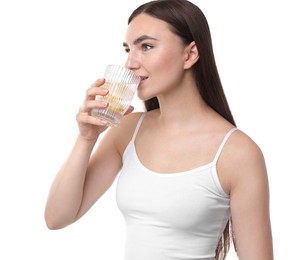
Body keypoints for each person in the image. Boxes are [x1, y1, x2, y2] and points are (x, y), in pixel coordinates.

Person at [44, 0, 274, 259]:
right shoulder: (129, 129)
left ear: (190, 54)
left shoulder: (237, 153)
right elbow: (57, 218)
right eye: (128, 49)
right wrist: (86, 139)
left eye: (146, 47)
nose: (130, 62)